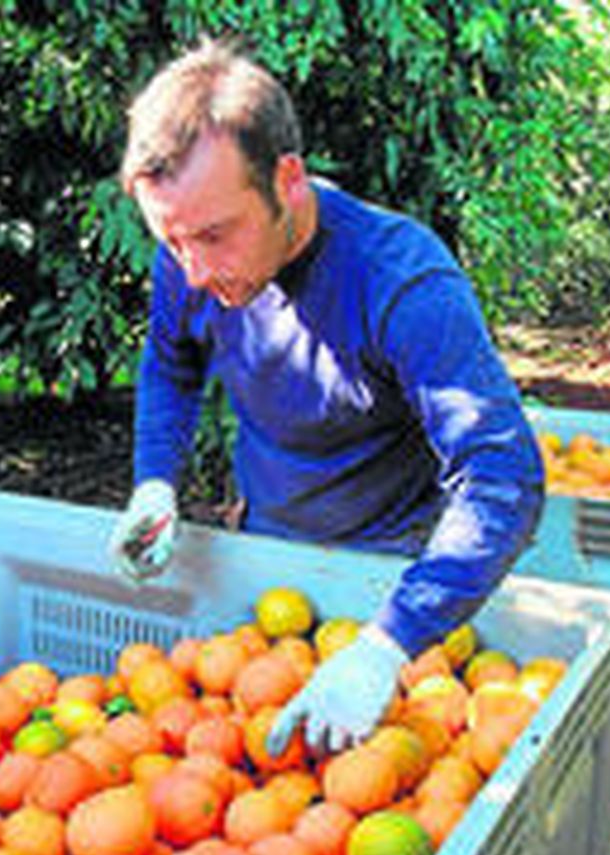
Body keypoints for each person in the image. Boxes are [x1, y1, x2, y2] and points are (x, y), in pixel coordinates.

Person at [107, 39, 545, 755]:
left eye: (215, 235)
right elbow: (170, 364)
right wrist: (155, 481)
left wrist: (389, 644)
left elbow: (504, 478)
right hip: (271, 559)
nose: (192, 273)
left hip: (398, 577)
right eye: (171, 240)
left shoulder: (402, 283)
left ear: (288, 180)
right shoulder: (190, 257)